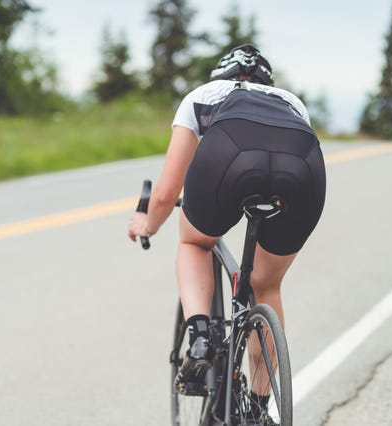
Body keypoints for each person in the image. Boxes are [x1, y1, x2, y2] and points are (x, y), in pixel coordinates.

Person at [128, 44, 326, 409]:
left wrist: (147, 225)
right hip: (302, 168)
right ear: (266, 81)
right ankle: (259, 403)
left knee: (196, 243)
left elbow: (167, 192)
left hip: (229, 156)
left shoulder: (202, 96)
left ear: (222, 75)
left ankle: (201, 336)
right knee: (266, 285)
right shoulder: (291, 102)